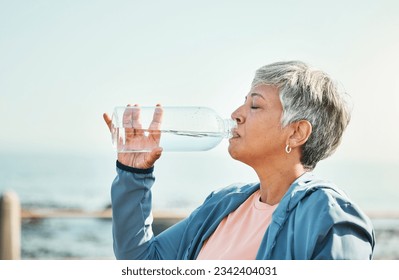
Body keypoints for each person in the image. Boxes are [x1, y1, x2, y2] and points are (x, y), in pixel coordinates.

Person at [103, 61, 375, 260]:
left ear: (296, 132)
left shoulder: (332, 217)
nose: (235, 113)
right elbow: (140, 262)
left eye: (254, 106)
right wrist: (133, 173)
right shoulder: (222, 205)